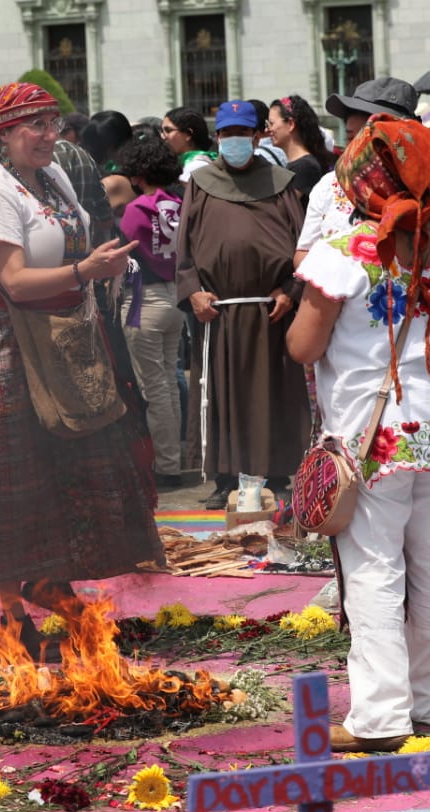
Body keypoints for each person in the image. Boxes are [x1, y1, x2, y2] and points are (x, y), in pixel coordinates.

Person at [0, 82, 164, 660]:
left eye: (54, 124)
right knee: (1, 468)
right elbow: (17, 279)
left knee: (57, 461)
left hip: (56, 330)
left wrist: (88, 272)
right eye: (37, 127)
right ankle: (13, 612)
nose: (51, 136)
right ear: (2, 134)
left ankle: (48, 584)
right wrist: (85, 271)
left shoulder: (48, 177)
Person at [288, 114, 430, 752]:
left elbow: (302, 346)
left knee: (374, 569)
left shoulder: (344, 253)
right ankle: (428, 701)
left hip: (374, 437)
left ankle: (379, 718)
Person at [176, 99, 310, 510]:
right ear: (218, 138)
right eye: (226, 134)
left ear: (257, 136)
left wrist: (290, 290)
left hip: (271, 310)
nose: (234, 140)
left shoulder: (282, 182)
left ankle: (277, 473)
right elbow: (183, 251)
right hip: (220, 311)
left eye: (242, 133)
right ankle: (224, 477)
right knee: (220, 395)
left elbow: (305, 243)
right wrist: (193, 290)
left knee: (275, 394)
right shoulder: (200, 184)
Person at [296, 77, 430, 268]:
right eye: (350, 138)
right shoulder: (328, 186)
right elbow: (303, 253)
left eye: (370, 140)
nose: (357, 149)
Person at [117, 136, 186, 489]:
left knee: (154, 388)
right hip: (176, 297)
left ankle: (166, 464)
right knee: (170, 385)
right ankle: (173, 457)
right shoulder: (178, 201)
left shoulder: (136, 208)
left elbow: (123, 255)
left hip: (144, 300)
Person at [266, 95, 336, 198]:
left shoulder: (305, 167)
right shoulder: (298, 164)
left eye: (271, 124)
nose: (267, 130)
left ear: (290, 124)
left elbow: (283, 208)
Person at [160, 107, 214, 183]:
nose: (163, 136)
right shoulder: (185, 164)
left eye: (168, 130)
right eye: (162, 131)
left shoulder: (196, 166)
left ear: (188, 134)